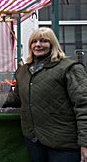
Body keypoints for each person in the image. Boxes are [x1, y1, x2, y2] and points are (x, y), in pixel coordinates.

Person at [5, 27, 87, 162]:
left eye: (43, 41)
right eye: (34, 41)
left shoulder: (69, 68)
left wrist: (85, 142)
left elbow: (84, 105)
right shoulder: (23, 71)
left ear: (53, 44)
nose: (38, 45)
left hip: (63, 143)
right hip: (34, 140)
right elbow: (17, 98)